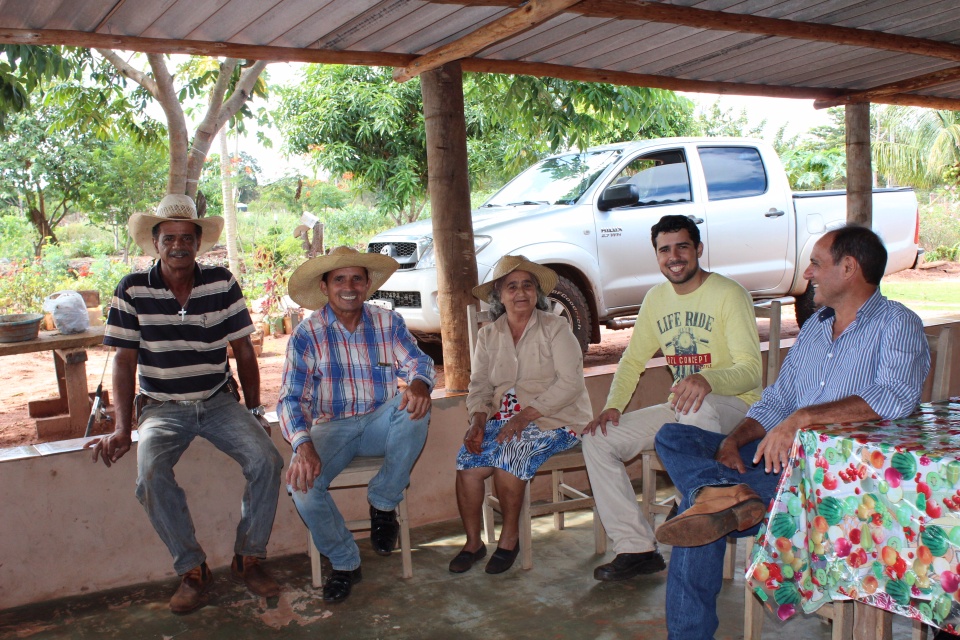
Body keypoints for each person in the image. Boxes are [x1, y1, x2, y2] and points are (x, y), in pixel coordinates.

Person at [653, 224, 931, 640]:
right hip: (775, 461)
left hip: (827, 482)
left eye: (817, 264)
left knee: (702, 518)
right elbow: (778, 399)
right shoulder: (817, 327)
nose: (808, 274)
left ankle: (715, 500)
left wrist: (803, 420)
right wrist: (732, 440)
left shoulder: (898, 323)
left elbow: (894, 396)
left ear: (849, 268)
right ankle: (718, 493)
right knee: (673, 438)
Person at [85, 194, 284, 614]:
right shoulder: (133, 288)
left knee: (266, 460)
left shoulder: (221, 282)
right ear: (155, 243)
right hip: (161, 406)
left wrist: (253, 410)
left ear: (198, 243)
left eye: (187, 238)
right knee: (151, 474)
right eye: (169, 238)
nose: (178, 246)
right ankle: (192, 569)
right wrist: (123, 427)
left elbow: (244, 350)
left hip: (218, 401)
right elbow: (124, 360)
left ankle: (249, 557)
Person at [581, 214, 763, 581]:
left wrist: (707, 379)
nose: (673, 256)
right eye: (664, 249)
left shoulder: (729, 294)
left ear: (697, 249)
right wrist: (612, 406)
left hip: (736, 407)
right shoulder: (656, 299)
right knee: (598, 440)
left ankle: (695, 506)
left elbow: (751, 371)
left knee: (695, 407)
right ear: (657, 255)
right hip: (683, 407)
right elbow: (632, 360)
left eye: (682, 246)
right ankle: (637, 548)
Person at [278, 246, 434, 604]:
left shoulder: (387, 322)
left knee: (416, 404)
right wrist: (303, 446)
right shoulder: (307, 333)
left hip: (381, 420)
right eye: (339, 279)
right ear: (325, 286)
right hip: (332, 427)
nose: (349, 286)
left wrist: (420, 382)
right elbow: (291, 398)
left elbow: (418, 362)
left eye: (356, 279)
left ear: (366, 285)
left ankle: (383, 501)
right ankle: (345, 562)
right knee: (301, 486)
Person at [450, 255, 593, 575]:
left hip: (556, 418)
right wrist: (477, 421)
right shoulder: (489, 335)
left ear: (537, 293)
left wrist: (523, 417)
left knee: (509, 456)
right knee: (467, 462)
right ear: (498, 295)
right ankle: (473, 544)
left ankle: (509, 539)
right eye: (511, 286)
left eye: (527, 285)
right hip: (503, 421)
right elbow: (480, 387)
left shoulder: (556, 327)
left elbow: (571, 383)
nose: (520, 292)